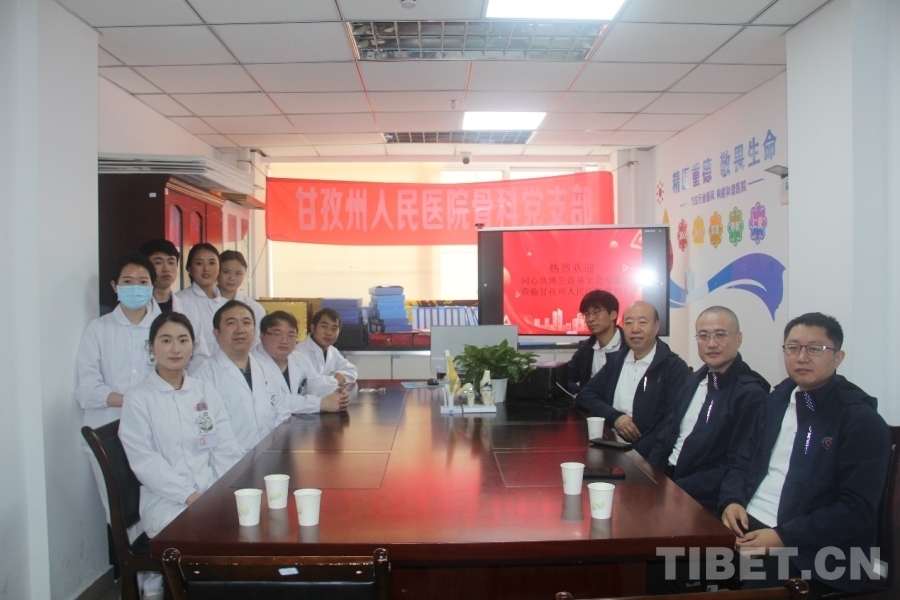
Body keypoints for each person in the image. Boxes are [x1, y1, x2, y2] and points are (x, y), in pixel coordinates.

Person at [719, 313, 890, 597]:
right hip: (749, 525)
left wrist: (783, 537)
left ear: (838, 357)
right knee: (666, 560)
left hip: (815, 551)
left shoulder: (860, 420)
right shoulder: (775, 401)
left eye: (815, 349)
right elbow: (741, 460)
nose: (802, 357)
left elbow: (856, 509)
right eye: (793, 347)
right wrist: (731, 500)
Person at [119, 312, 243, 600]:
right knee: (213, 537)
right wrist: (191, 497)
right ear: (151, 347)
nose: (175, 348)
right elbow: (145, 462)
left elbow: (225, 447)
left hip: (211, 494)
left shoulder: (204, 392)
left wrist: (225, 493)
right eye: (166, 340)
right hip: (166, 502)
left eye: (183, 340)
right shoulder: (138, 399)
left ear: (192, 346)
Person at [649, 306, 769, 513]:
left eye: (720, 335)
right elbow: (665, 437)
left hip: (699, 497)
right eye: (703, 336)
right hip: (664, 481)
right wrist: (649, 475)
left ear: (739, 339)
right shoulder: (691, 381)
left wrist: (675, 491)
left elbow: (736, 464)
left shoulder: (751, 393)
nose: (711, 344)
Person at [76, 253, 162, 517]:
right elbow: (86, 390)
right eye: (127, 281)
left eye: (143, 281)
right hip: (108, 431)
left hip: (157, 427)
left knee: (160, 503)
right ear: (115, 286)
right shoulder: (98, 329)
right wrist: (129, 400)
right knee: (121, 512)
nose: (135, 287)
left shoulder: (164, 329)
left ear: (152, 286)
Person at [576, 301, 687, 459]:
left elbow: (670, 424)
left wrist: (645, 461)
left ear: (656, 326)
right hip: (610, 445)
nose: (635, 329)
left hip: (646, 456)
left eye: (642, 322)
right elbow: (585, 395)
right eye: (628, 323)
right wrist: (615, 417)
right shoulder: (617, 360)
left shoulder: (673, 367)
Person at [193, 300, 292, 452]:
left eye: (246, 322)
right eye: (231, 323)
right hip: (227, 463)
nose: (240, 329)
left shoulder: (266, 369)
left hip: (271, 456)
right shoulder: (203, 377)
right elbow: (206, 432)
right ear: (216, 333)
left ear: (254, 331)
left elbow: (282, 413)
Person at [255, 311, 351, 413]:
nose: (284, 341)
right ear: (262, 335)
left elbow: (315, 384)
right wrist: (320, 404)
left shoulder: (300, 359)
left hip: (297, 420)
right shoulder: (253, 364)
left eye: (291, 335)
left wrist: (337, 393)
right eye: (277, 334)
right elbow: (276, 401)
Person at [138, 239, 210, 370]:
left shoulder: (188, 309)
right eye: (158, 262)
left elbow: (200, 354)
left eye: (171, 262)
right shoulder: (137, 309)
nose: (166, 269)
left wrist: (182, 379)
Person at [567, 289, 623, 394]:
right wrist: (581, 394)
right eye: (587, 314)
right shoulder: (585, 349)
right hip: (590, 404)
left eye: (596, 312)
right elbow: (565, 378)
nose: (590, 319)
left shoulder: (629, 346)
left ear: (613, 315)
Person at [175, 243, 225, 355]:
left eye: (212, 263)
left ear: (219, 268)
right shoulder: (179, 301)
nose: (206, 269)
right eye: (199, 263)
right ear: (189, 269)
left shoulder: (227, 304)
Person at [296, 307, 358, 386]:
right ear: (313, 328)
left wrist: (337, 377)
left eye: (334, 328)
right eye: (324, 326)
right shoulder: (299, 352)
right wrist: (335, 379)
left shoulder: (332, 351)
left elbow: (352, 371)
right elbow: (308, 383)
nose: (328, 332)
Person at [217, 250, 267, 330]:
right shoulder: (202, 302)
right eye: (226, 272)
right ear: (217, 271)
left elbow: (258, 337)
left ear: (245, 274)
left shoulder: (255, 308)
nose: (232, 278)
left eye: (238, 273)